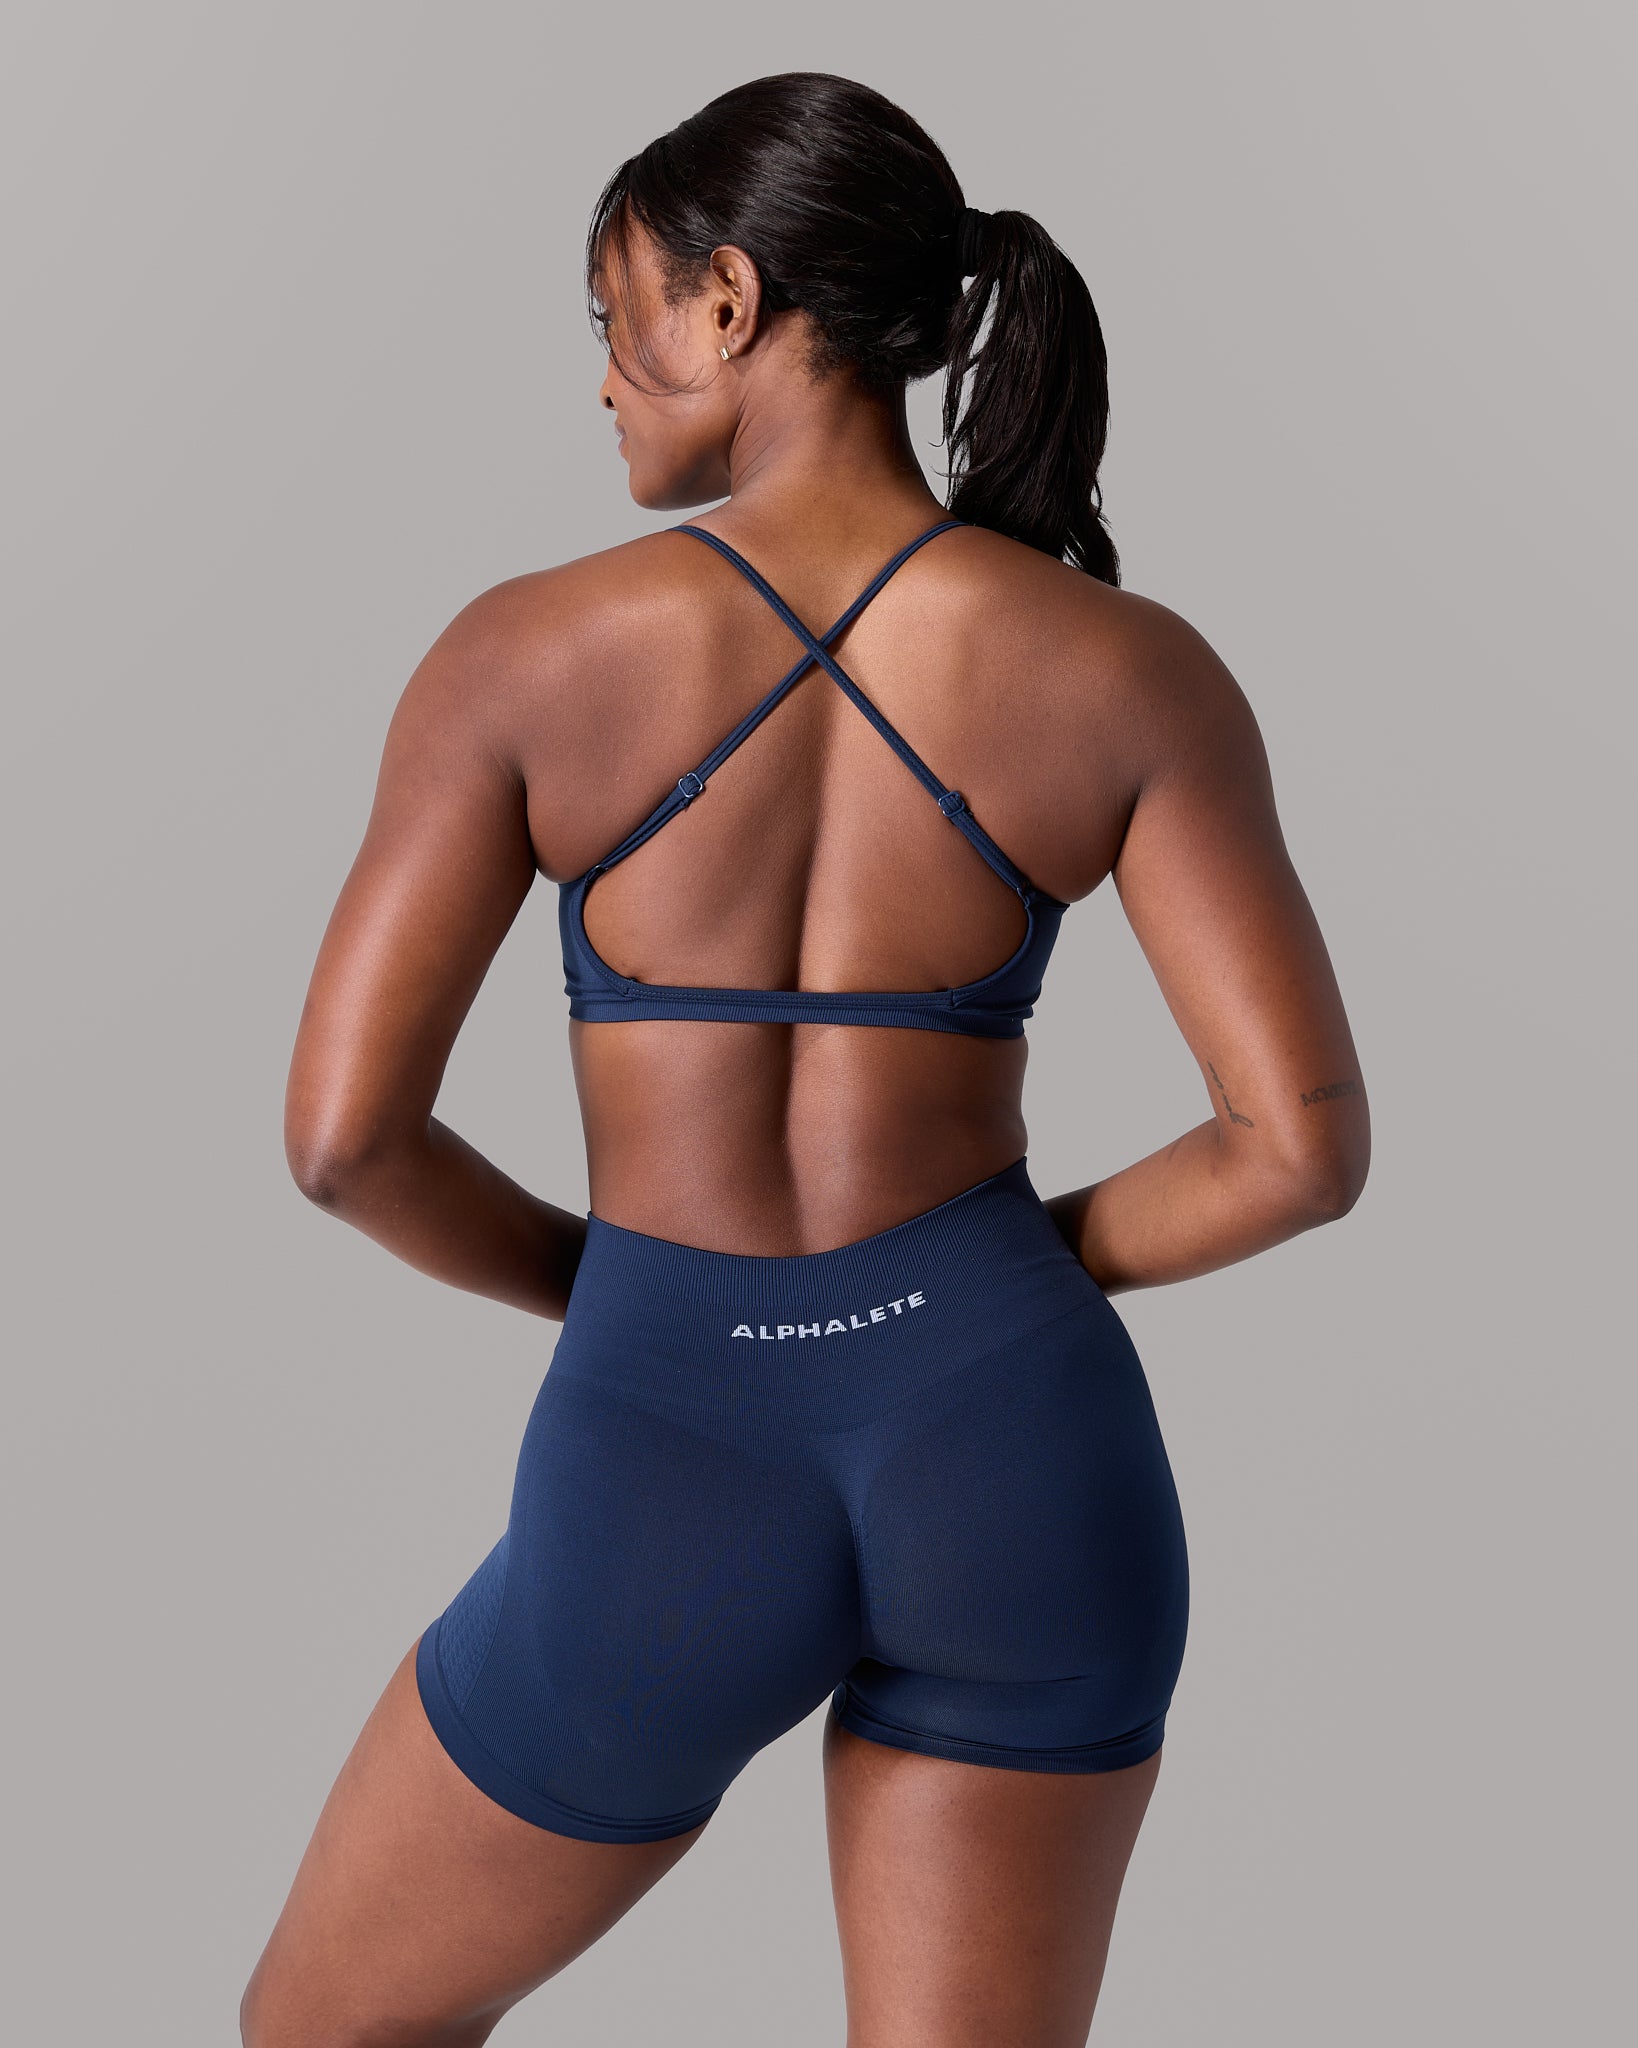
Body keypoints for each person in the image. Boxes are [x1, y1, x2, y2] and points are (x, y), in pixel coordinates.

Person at [242, 70, 1369, 2048]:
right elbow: (1296, 1150)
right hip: (1019, 1449)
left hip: (665, 1447)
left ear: (731, 302)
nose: (604, 379)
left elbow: (345, 1142)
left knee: (322, 2029)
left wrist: (628, 1293)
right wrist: (992, 1280)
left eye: (618, 320)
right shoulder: (1128, 668)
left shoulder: (522, 657)